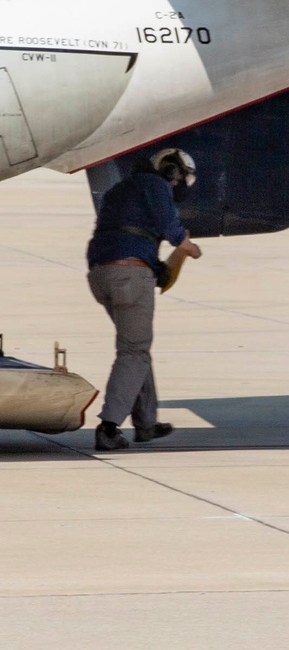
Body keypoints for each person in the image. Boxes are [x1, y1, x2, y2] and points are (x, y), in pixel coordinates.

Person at [87, 148, 202, 451]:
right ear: (170, 171)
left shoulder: (120, 190)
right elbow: (171, 229)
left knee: (135, 346)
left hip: (101, 276)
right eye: (179, 178)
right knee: (134, 352)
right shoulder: (156, 186)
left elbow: (128, 232)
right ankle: (109, 427)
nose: (177, 185)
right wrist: (187, 246)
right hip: (129, 276)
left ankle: (146, 424)